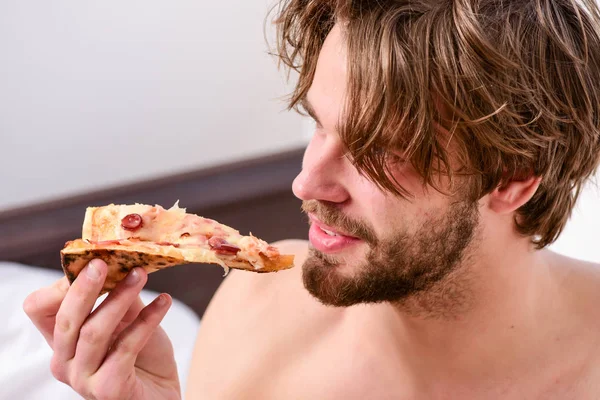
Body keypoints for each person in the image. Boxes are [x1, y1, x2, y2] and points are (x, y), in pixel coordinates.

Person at [23, 0, 600, 398]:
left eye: (376, 151)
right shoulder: (257, 312)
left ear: (511, 180)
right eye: (318, 124)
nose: (305, 185)